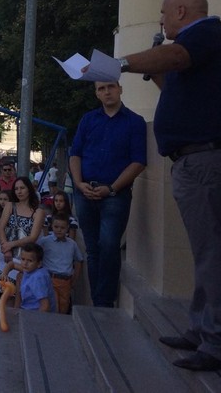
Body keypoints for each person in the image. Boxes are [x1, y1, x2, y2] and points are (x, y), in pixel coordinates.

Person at [117, 0, 221, 372]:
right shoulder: (200, 50)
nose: (161, 22)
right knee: (206, 252)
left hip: (207, 160)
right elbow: (174, 87)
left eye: (163, 14)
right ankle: (201, 328)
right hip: (197, 160)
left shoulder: (206, 35)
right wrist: (153, 69)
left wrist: (120, 64)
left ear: (180, 10)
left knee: (213, 254)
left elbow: (174, 57)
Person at [69, 80, 146, 308]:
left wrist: (112, 188)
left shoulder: (135, 122)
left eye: (111, 86)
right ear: (96, 94)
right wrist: (79, 184)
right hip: (85, 192)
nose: (107, 92)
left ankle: (105, 301)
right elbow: (75, 154)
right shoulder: (88, 120)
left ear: (120, 89)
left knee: (110, 245)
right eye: (101, 88)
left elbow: (139, 161)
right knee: (93, 248)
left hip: (115, 195)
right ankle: (97, 300)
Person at [37, 213, 83, 314]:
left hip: (65, 281)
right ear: (51, 226)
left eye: (62, 227)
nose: (59, 230)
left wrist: (74, 280)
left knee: (63, 308)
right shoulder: (44, 241)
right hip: (49, 279)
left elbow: (79, 260)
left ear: (67, 228)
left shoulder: (72, 244)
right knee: (52, 308)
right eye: (56, 227)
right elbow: (35, 255)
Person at [0, 242, 56, 313]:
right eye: (23, 259)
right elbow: (12, 264)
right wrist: (4, 274)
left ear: (39, 263)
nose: (25, 263)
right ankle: (16, 310)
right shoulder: (30, 268)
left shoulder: (38, 278)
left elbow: (45, 305)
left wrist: (34, 322)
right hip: (24, 307)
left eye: (30, 261)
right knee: (20, 276)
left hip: (31, 314)